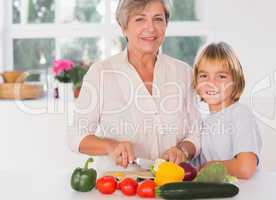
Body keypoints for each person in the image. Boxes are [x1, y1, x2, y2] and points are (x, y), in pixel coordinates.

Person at [66, 0, 201, 173]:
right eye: (140, 19)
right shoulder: (101, 73)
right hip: (119, 186)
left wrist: (183, 150)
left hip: (172, 184)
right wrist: (110, 146)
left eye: (158, 19)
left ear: (166, 25)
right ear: (124, 27)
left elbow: (195, 132)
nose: (150, 28)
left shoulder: (183, 72)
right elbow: (76, 135)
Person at [192, 42, 263, 179]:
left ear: (235, 81)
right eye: (204, 76)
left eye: (221, 76)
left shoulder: (240, 114)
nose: (211, 83)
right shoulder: (204, 121)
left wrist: (209, 166)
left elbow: (245, 168)